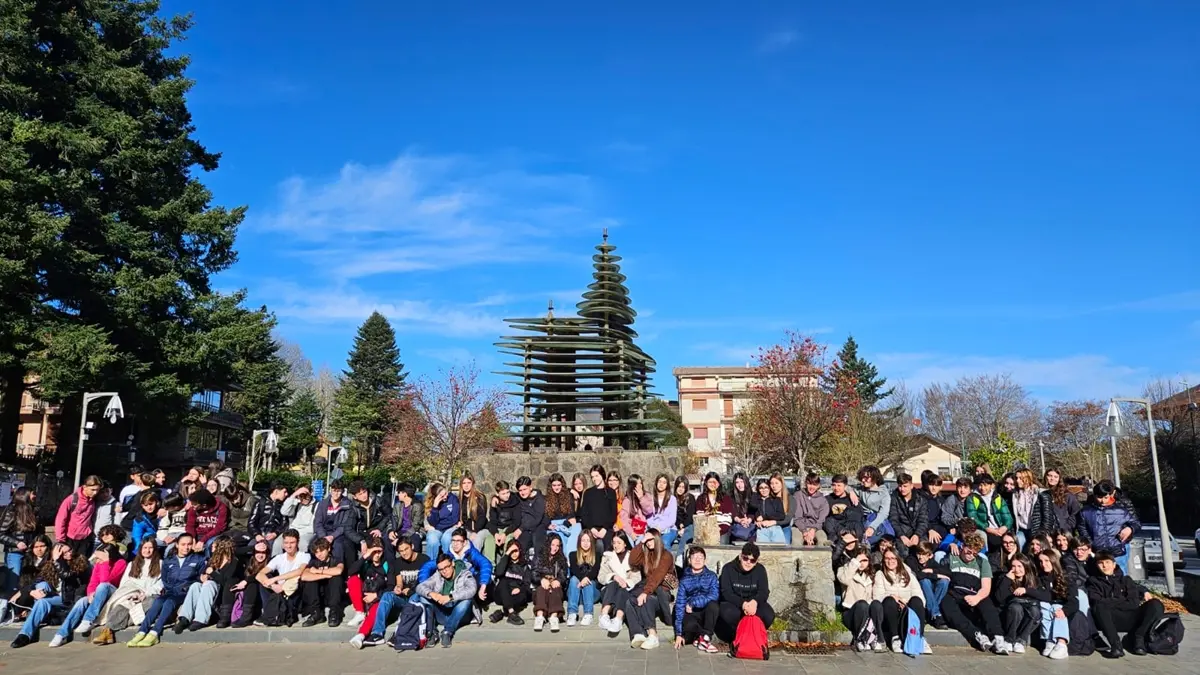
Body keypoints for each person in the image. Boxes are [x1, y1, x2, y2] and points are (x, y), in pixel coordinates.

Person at [125, 532, 204, 647]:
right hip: (171, 591)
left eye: (189, 544)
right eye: (183, 544)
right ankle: (142, 631)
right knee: (158, 601)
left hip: (185, 592)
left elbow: (200, 578)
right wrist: (170, 589)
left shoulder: (198, 559)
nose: (186, 547)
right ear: (177, 545)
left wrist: (186, 587)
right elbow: (165, 579)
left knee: (169, 602)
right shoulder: (169, 560)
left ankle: (155, 632)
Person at [355, 533, 429, 648]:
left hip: (417, 598)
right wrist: (398, 588)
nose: (404, 553)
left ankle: (399, 633)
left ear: (412, 546)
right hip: (403, 598)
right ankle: (377, 634)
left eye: (406, 549)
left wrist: (412, 590)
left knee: (415, 597)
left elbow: (426, 583)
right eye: (401, 551)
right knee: (387, 595)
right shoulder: (398, 562)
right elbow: (399, 581)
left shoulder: (424, 560)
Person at [1086, 550, 1165, 658]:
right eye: (1101, 563)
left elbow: (1134, 603)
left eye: (1107, 562)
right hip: (1109, 619)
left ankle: (1139, 637)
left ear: (1114, 565)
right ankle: (1116, 646)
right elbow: (1096, 601)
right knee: (1100, 607)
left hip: (1131, 616)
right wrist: (1123, 599)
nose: (1104, 566)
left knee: (1156, 604)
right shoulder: (1093, 582)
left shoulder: (1126, 580)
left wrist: (1111, 601)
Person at [10, 541, 88, 648]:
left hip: (72, 599)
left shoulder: (80, 562)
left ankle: (41, 617)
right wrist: (31, 591)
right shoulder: (51, 565)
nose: (69, 554)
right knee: (42, 590)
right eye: (64, 553)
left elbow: (67, 576)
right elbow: (34, 582)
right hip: (57, 598)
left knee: (44, 599)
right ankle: (24, 635)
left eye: (70, 550)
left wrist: (58, 561)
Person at [939, 533, 1004, 654]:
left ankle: (998, 637)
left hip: (974, 593)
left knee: (988, 605)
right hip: (954, 593)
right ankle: (977, 635)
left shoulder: (982, 562)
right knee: (947, 605)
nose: (971, 556)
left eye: (975, 553)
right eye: (969, 552)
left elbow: (986, 587)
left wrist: (977, 597)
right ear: (962, 546)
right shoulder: (952, 558)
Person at [50, 542, 126, 645]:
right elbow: (93, 582)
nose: (97, 560)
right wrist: (91, 593)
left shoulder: (120, 562)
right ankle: (60, 634)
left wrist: (105, 562)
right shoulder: (99, 563)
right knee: (82, 601)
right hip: (98, 594)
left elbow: (106, 581)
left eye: (99, 557)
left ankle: (88, 620)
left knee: (103, 586)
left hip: (112, 592)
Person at [173, 535, 237, 633]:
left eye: (214, 546)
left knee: (209, 584)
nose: (211, 548)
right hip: (208, 590)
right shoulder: (213, 560)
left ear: (221, 547)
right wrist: (202, 577)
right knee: (195, 585)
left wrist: (212, 573)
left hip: (221, 593)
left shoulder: (233, 562)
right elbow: (202, 574)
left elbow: (227, 582)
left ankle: (200, 619)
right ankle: (184, 618)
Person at [623, 529, 673, 650]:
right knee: (630, 601)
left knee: (647, 600)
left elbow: (657, 576)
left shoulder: (666, 555)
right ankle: (638, 633)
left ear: (657, 539)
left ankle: (653, 635)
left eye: (651, 539)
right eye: (646, 539)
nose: (648, 542)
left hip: (662, 591)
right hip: (647, 587)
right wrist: (641, 542)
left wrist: (645, 592)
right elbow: (633, 561)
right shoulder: (646, 554)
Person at [415, 552, 478, 648]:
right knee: (423, 597)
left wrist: (450, 597)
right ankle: (431, 632)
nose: (444, 571)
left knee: (466, 601)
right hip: (443, 613)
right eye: (441, 569)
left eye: (447, 567)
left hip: (460, 615)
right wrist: (433, 594)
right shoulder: (438, 575)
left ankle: (447, 631)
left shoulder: (465, 573)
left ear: (452, 563)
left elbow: (472, 589)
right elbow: (420, 587)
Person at [1076, 480, 1139, 575]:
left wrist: (1130, 528)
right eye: (1099, 497)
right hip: (1097, 552)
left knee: (1121, 579)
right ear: (1094, 496)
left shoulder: (1121, 509)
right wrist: (1090, 543)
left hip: (1117, 551)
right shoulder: (1086, 512)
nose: (1103, 501)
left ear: (1111, 494)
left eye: (1106, 497)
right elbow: (1082, 529)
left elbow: (1136, 523)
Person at [874, 547, 928, 654]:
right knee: (889, 600)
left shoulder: (909, 574)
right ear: (884, 560)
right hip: (891, 612)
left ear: (898, 559)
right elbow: (877, 596)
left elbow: (919, 594)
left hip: (907, 610)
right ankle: (895, 638)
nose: (890, 561)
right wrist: (892, 596)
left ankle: (920, 637)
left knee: (917, 600)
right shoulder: (880, 575)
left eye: (893, 558)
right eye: (887, 558)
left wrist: (906, 602)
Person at [718, 542, 776, 643]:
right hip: (734, 602)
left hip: (753, 602)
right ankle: (737, 637)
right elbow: (726, 592)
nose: (748, 562)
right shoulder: (728, 568)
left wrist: (754, 602)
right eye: (745, 558)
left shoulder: (760, 569)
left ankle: (753, 635)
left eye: (752, 560)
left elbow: (764, 591)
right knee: (729, 613)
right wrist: (743, 604)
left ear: (756, 561)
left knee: (768, 615)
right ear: (741, 556)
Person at [256, 529, 310, 627]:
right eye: (286, 543)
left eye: (292, 543)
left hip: (293, 591)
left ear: (298, 542)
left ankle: (273, 614)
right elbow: (259, 575)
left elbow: (299, 571)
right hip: (278, 591)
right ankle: (269, 612)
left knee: (297, 581)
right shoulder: (279, 558)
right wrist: (273, 586)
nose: (289, 546)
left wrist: (276, 579)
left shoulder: (304, 556)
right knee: (264, 579)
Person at [672, 545, 721, 653]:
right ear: (689, 560)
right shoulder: (684, 580)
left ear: (705, 560)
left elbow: (714, 595)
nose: (698, 560)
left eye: (701, 557)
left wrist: (694, 603)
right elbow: (680, 604)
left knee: (713, 605)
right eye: (694, 557)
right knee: (689, 626)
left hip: (705, 612)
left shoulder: (712, 576)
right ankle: (699, 638)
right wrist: (678, 634)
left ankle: (706, 637)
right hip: (691, 613)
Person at [1033, 549, 1076, 660]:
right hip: (1049, 607)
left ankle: (1061, 643)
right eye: (1041, 561)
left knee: (1056, 607)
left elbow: (1074, 600)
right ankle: (1050, 640)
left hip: (1064, 607)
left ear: (1053, 560)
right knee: (1044, 606)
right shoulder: (1040, 578)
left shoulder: (1065, 576)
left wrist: (1064, 611)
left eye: (1047, 561)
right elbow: (1045, 596)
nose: (1043, 564)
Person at [837, 549, 883, 651]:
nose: (862, 564)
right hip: (851, 613)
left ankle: (877, 638)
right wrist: (855, 563)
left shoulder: (872, 575)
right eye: (859, 560)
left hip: (868, 614)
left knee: (876, 604)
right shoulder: (844, 570)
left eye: (864, 560)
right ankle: (860, 639)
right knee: (862, 604)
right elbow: (844, 580)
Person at [993, 553, 1039, 654]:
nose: (1016, 569)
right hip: (1009, 614)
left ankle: (1021, 641)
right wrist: (1007, 580)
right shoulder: (1004, 578)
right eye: (1013, 566)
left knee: (1035, 610)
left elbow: (1041, 596)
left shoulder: (1032, 580)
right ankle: (1009, 639)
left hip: (1027, 616)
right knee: (1016, 607)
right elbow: (999, 598)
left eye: (1019, 566)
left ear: (1026, 566)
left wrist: (1026, 590)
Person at [344, 536, 394, 629]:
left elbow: (391, 586)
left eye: (379, 552)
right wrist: (365, 556)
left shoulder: (387, 564)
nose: (377, 555)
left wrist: (376, 595)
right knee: (353, 579)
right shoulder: (366, 563)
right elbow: (350, 572)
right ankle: (360, 612)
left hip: (378, 596)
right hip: (365, 595)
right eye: (374, 552)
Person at [0, 486, 41, 595]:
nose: (35, 496)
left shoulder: (34, 511)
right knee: (13, 583)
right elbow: (1, 533)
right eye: (32, 493)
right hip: (15, 553)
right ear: (25, 495)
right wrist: (17, 543)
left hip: (31, 553)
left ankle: (21, 608)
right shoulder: (12, 511)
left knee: (28, 582)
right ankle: (8, 607)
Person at [965, 474, 1013, 566]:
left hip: (999, 529)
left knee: (1010, 541)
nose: (982, 488)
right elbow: (973, 517)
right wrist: (987, 528)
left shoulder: (998, 498)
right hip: (985, 529)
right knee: (995, 542)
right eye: (980, 485)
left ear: (992, 485)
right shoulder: (973, 498)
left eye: (986, 485)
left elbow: (1008, 517)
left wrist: (1005, 527)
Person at [597, 533, 640, 633]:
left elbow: (637, 577)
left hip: (626, 590)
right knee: (614, 583)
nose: (616, 545)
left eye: (619, 543)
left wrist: (626, 582)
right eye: (614, 543)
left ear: (625, 543)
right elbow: (601, 577)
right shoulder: (607, 557)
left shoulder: (632, 557)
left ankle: (618, 619)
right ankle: (604, 615)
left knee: (623, 590)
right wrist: (613, 576)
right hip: (609, 591)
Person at [298, 538, 345, 627]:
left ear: (328, 549)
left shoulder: (336, 560)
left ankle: (334, 612)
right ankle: (316, 613)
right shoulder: (314, 562)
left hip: (332, 594)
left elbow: (338, 570)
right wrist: (325, 575)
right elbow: (304, 576)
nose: (319, 555)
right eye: (316, 552)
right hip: (318, 595)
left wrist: (318, 571)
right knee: (310, 581)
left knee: (336, 578)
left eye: (322, 551)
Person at [54, 475, 101, 556]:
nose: (95, 492)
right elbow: (60, 520)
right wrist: (61, 540)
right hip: (70, 539)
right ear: (85, 487)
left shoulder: (94, 500)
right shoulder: (71, 500)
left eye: (97, 490)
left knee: (82, 564)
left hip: (85, 539)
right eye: (92, 490)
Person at [489, 540, 532, 626]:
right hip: (502, 593)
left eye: (515, 551)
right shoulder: (505, 563)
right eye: (511, 551)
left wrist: (519, 588)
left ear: (520, 551)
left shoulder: (525, 566)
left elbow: (527, 585)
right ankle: (512, 613)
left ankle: (501, 613)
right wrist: (507, 553)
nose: (514, 554)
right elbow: (498, 573)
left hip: (516, 595)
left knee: (523, 594)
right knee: (504, 581)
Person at [314, 479, 357, 564]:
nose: (336, 493)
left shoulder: (348, 504)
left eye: (338, 491)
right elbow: (318, 522)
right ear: (330, 490)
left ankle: (336, 568)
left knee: (338, 546)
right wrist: (323, 536)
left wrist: (332, 536)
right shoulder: (323, 504)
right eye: (334, 490)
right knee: (313, 544)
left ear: (342, 491)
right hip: (324, 532)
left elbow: (345, 525)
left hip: (339, 533)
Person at [908, 541, 950, 629]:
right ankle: (936, 614)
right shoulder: (911, 560)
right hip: (918, 589)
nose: (920, 557)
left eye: (924, 554)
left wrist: (932, 571)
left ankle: (929, 612)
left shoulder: (932, 562)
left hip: (930, 590)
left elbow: (948, 573)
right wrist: (936, 575)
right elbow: (918, 575)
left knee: (944, 581)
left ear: (930, 556)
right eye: (919, 554)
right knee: (925, 581)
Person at [532, 532, 568, 631]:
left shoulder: (561, 559)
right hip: (541, 586)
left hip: (554, 586)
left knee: (556, 589)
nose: (555, 548)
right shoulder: (539, 557)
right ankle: (540, 617)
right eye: (552, 545)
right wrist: (541, 580)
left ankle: (554, 617)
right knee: (541, 589)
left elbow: (563, 575)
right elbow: (534, 573)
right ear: (548, 544)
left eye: (557, 546)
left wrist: (559, 580)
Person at [230, 540, 271, 628]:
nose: (260, 555)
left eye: (263, 552)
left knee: (253, 584)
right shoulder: (249, 560)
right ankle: (243, 616)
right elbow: (235, 552)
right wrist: (253, 547)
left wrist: (246, 581)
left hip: (262, 597)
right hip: (250, 599)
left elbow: (258, 575)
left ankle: (246, 618)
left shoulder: (270, 562)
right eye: (258, 552)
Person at [578, 465, 617, 552]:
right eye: (592, 477)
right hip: (591, 529)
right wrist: (592, 529)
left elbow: (613, 514)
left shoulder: (611, 492)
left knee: (607, 548)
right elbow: (584, 514)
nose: (594, 479)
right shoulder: (588, 493)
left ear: (602, 475)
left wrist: (605, 529)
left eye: (597, 476)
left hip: (606, 529)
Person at [1033, 469, 1081, 537]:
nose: (1052, 478)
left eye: (1056, 477)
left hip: (1063, 532)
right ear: (1045, 476)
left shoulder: (1067, 495)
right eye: (1050, 476)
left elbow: (1075, 513)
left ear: (1059, 478)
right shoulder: (1039, 493)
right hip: (1045, 532)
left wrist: (1066, 527)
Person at [888, 473, 927, 558]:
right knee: (902, 550)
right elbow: (893, 520)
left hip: (918, 532)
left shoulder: (921, 499)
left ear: (911, 486)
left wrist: (917, 534)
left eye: (905, 486)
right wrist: (901, 535)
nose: (902, 489)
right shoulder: (894, 498)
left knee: (923, 549)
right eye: (900, 486)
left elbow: (923, 520)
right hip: (902, 531)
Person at [457, 474, 493, 561]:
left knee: (477, 539)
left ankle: (474, 563)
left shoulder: (480, 497)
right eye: (464, 483)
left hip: (481, 528)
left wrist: (475, 531)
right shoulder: (460, 499)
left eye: (469, 483)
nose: (466, 485)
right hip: (467, 528)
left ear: (473, 483)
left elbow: (482, 517)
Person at [545, 473, 582, 557]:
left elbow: (571, 513)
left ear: (562, 485)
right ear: (550, 486)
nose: (557, 487)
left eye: (559, 485)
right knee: (559, 537)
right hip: (554, 525)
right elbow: (546, 515)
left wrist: (566, 524)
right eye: (554, 485)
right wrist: (548, 525)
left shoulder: (568, 495)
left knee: (576, 529)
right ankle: (565, 558)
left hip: (567, 522)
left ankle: (571, 557)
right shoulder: (547, 499)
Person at [566, 530, 599, 626]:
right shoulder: (573, 555)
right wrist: (583, 579)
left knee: (589, 582)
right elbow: (574, 570)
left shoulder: (597, 555)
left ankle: (588, 614)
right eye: (583, 540)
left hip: (591, 594)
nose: (585, 543)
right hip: (575, 593)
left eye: (588, 540)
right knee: (573, 579)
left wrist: (586, 579)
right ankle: (572, 613)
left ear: (592, 542)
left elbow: (595, 572)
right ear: (579, 541)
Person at [854, 465, 892, 545]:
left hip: (877, 521)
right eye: (862, 478)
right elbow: (847, 487)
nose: (863, 480)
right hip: (863, 519)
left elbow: (883, 514)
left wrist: (872, 527)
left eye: (866, 478)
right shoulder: (861, 490)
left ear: (875, 478)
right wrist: (851, 492)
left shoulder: (883, 493)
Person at [249, 483, 289, 554]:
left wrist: (275, 533)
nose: (286, 494)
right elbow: (251, 522)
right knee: (251, 548)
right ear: (276, 491)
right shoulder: (260, 503)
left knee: (271, 548)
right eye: (284, 492)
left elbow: (284, 524)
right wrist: (256, 534)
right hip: (259, 533)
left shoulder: (283, 506)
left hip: (273, 535)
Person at [349, 480, 394, 546]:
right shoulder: (353, 507)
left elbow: (389, 514)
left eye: (364, 492)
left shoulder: (378, 501)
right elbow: (350, 527)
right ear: (355, 497)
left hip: (377, 528)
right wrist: (360, 539)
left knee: (382, 543)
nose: (363, 495)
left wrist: (379, 528)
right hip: (361, 532)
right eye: (360, 494)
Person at [185, 488, 229, 553]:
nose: (191, 505)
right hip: (198, 534)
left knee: (209, 546)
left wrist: (202, 540)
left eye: (194, 504)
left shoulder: (221, 508)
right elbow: (190, 526)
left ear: (204, 505)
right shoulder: (193, 509)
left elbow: (219, 528)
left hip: (213, 535)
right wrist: (192, 538)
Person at [792, 472, 830, 546]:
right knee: (796, 541)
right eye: (809, 484)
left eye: (814, 485)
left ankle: (820, 558)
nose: (812, 487)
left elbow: (821, 519)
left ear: (818, 486)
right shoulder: (798, 496)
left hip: (816, 527)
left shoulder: (823, 500)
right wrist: (805, 532)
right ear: (806, 483)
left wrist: (813, 530)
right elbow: (797, 517)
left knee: (823, 540)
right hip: (799, 527)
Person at [695, 471, 733, 545]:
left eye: (714, 482)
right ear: (706, 483)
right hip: (705, 529)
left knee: (721, 544)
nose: (712, 484)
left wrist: (717, 529)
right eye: (710, 482)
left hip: (721, 529)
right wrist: (704, 516)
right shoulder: (701, 499)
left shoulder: (725, 498)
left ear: (718, 484)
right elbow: (699, 516)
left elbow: (727, 518)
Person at [824, 474, 864, 541]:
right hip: (835, 527)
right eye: (834, 485)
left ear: (845, 486)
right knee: (828, 521)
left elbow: (859, 515)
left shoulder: (852, 499)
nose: (836, 488)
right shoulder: (827, 499)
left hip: (848, 526)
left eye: (839, 485)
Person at [424, 482, 461, 556]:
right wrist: (435, 507)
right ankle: (431, 564)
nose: (445, 497)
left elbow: (454, 519)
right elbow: (433, 522)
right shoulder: (432, 503)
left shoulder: (453, 499)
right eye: (441, 496)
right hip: (437, 530)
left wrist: (437, 526)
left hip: (450, 528)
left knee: (447, 539)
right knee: (432, 540)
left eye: (445, 493)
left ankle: (448, 562)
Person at [515, 475, 548, 555]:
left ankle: (538, 565)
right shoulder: (518, 497)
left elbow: (537, 519)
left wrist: (521, 528)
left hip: (537, 526)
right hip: (525, 528)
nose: (522, 493)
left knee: (538, 544)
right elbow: (507, 495)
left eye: (525, 489)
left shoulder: (540, 499)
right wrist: (495, 497)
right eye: (520, 490)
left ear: (530, 487)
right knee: (520, 545)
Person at [755, 474, 791, 543]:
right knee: (763, 551)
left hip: (775, 528)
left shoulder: (776, 500)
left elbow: (781, 515)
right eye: (761, 488)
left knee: (779, 550)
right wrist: (757, 521)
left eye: (766, 487)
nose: (764, 490)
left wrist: (765, 517)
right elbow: (755, 513)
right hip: (762, 529)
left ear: (769, 488)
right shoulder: (756, 501)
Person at [489, 480, 522, 555]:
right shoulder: (494, 503)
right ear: (497, 494)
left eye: (508, 492)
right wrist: (495, 534)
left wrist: (505, 533)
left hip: (510, 529)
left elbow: (516, 522)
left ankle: (504, 563)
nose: (507, 495)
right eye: (503, 493)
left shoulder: (515, 501)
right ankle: (490, 565)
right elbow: (492, 521)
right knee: (488, 540)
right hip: (498, 528)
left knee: (508, 541)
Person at [666, 475, 695, 560]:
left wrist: (683, 527)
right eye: (679, 486)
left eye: (683, 487)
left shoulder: (690, 498)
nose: (681, 489)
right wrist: (679, 526)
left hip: (688, 525)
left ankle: (679, 556)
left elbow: (690, 516)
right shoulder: (672, 499)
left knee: (689, 530)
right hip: (676, 525)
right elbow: (673, 515)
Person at [1011, 469, 1041, 547]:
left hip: (1034, 528)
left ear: (1027, 478)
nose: (1017, 481)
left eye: (1020, 478)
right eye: (1016, 478)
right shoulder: (1015, 494)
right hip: (1021, 528)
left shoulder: (1036, 492)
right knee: (1019, 545)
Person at [619, 473, 650, 544]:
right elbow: (624, 519)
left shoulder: (647, 496)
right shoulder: (627, 501)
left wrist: (641, 498)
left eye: (640, 483)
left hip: (643, 529)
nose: (640, 485)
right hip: (631, 530)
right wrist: (631, 533)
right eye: (637, 483)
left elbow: (649, 511)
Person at [918, 471, 947, 544]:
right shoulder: (920, 499)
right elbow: (920, 518)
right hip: (925, 529)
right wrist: (929, 529)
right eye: (931, 485)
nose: (934, 488)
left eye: (936, 485)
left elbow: (945, 517)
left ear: (940, 487)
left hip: (939, 529)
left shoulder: (941, 500)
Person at [393, 482, 425, 548]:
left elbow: (416, 526)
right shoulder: (398, 506)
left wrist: (401, 538)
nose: (397, 494)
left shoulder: (418, 506)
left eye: (399, 492)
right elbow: (393, 520)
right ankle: (391, 558)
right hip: (401, 530)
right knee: (387, 539)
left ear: (404, 494)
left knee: (415, 541)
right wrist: (391, 531)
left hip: (415, 531)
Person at [729, 473, 755, 543]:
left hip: (750, 525)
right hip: (737, 526)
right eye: (737, 482)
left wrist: (748, 520)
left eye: (742, 482)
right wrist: (740, 520)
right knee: (739, 541)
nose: (740, 485)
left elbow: (754, 511)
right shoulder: (731, 497)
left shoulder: (753, 495)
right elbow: (732, 512)